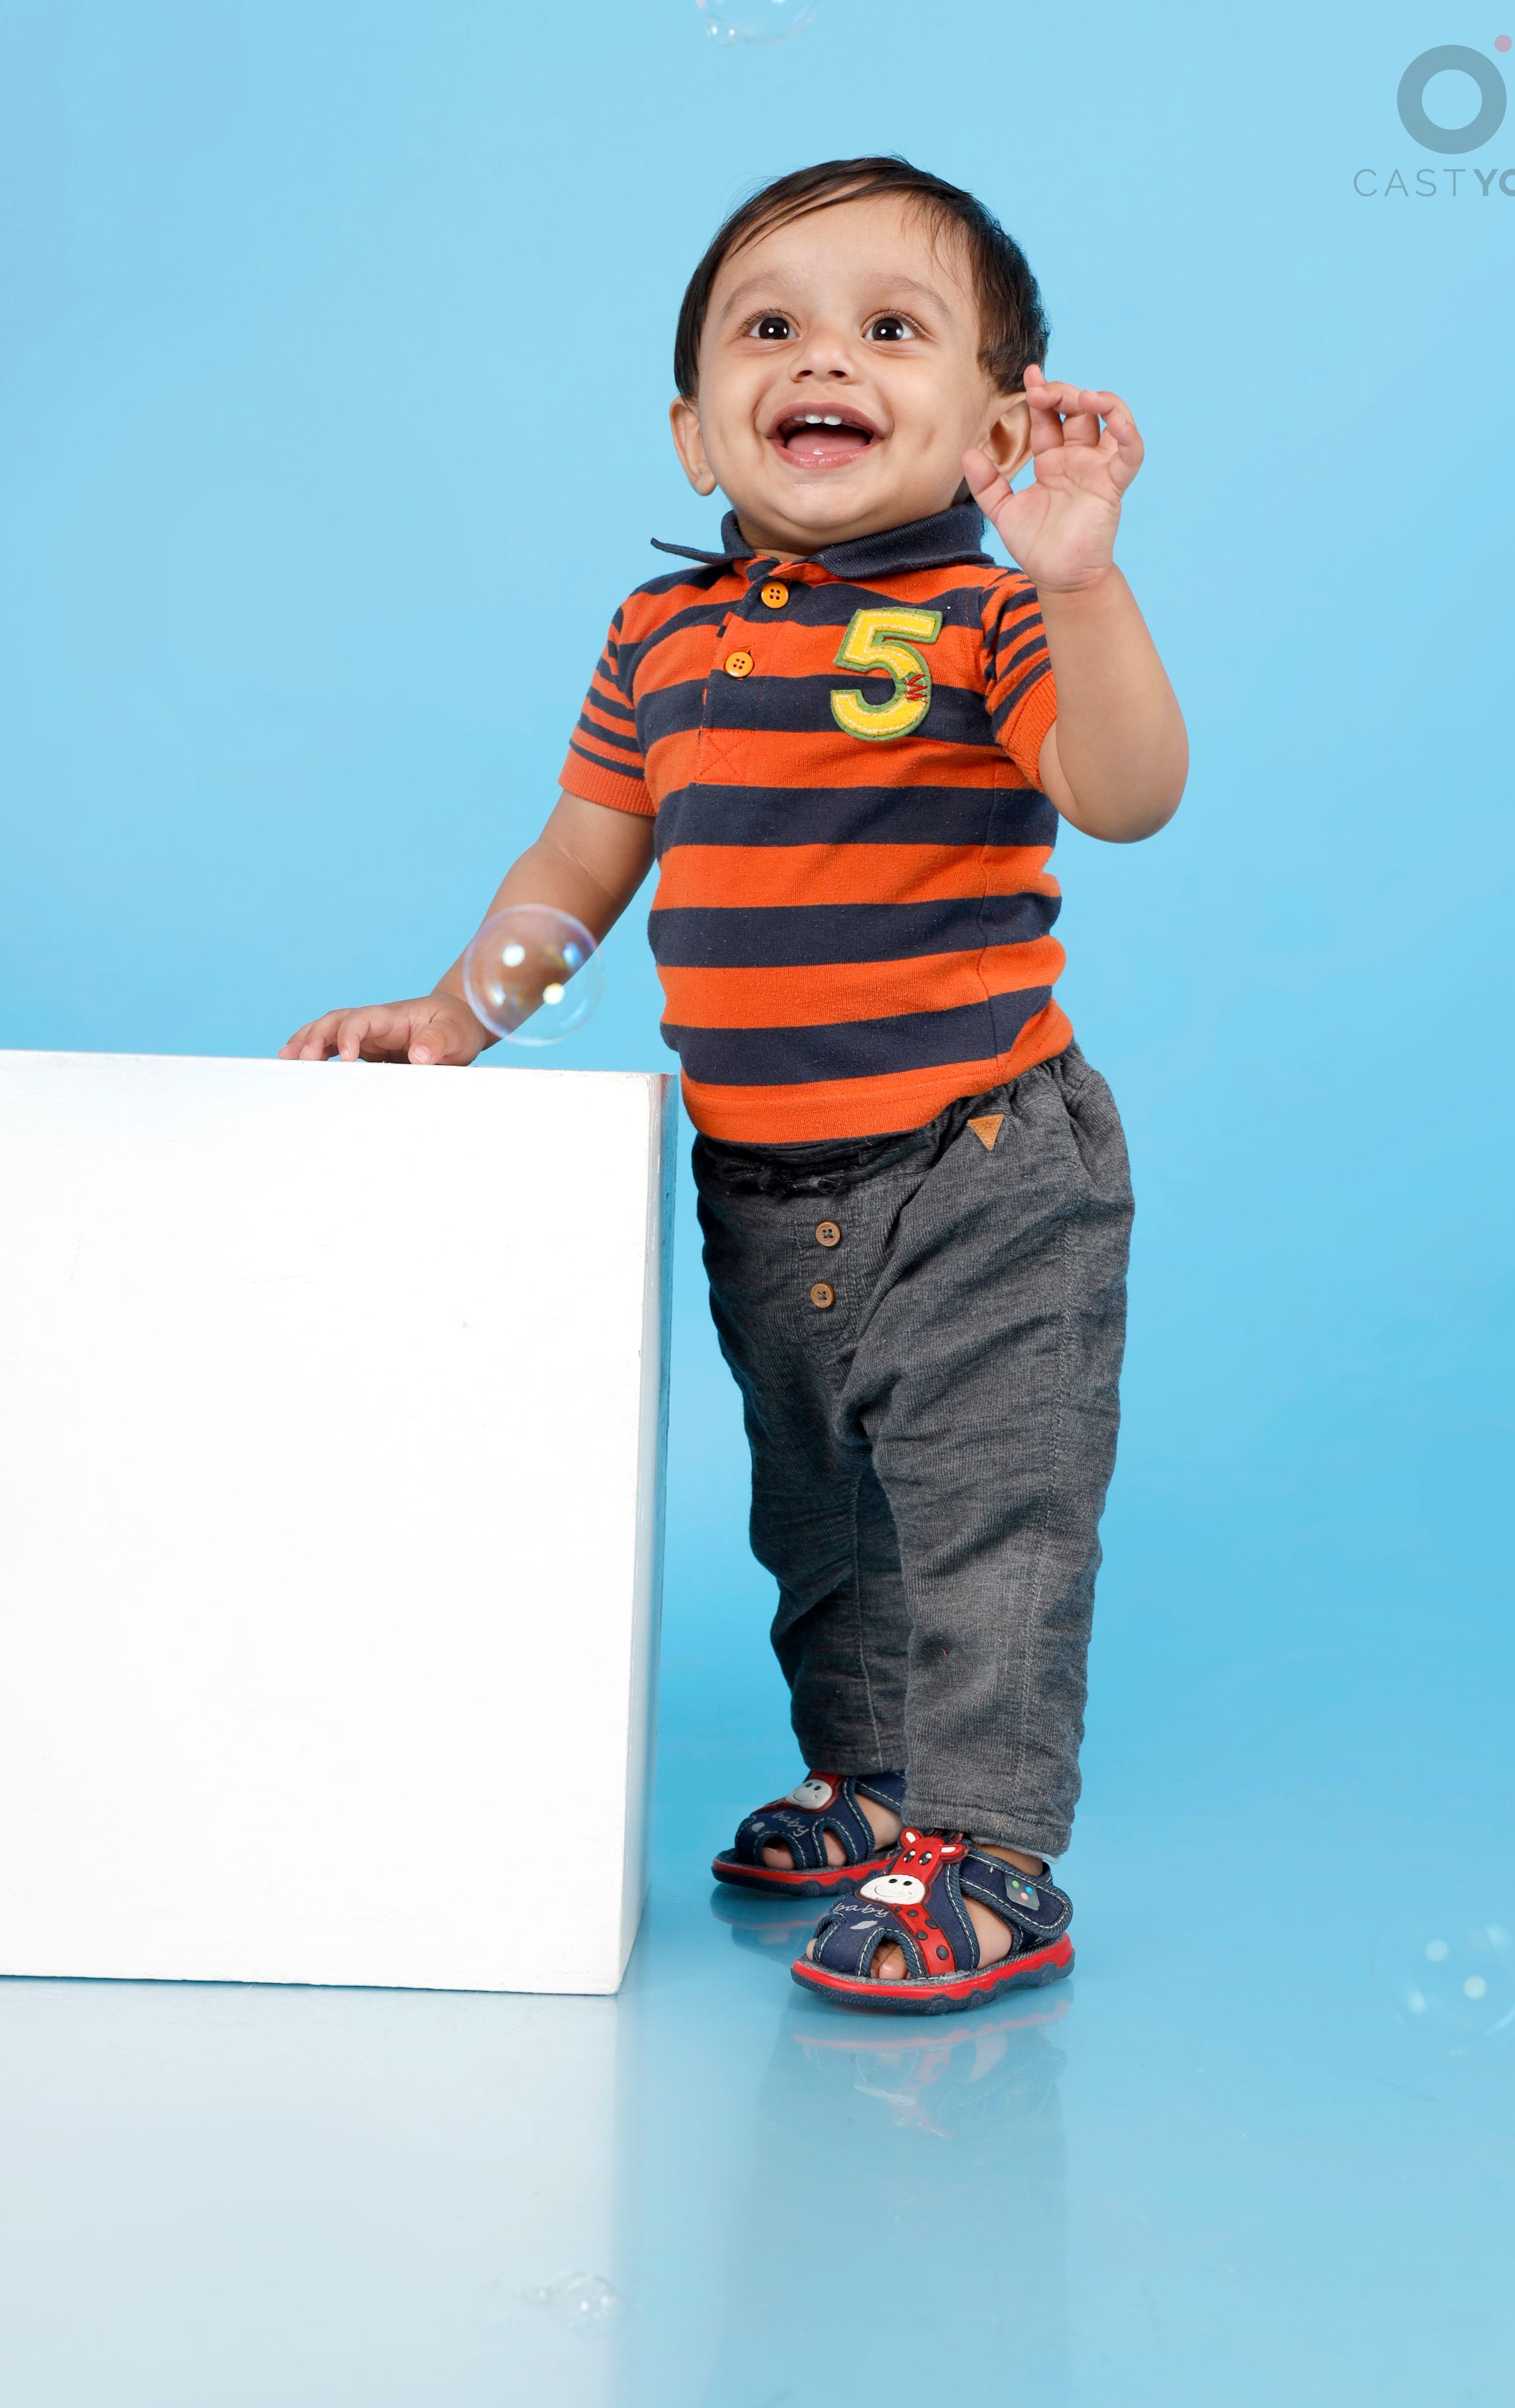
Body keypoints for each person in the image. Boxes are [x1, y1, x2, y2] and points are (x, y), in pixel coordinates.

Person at [282, 157, 1187, 2014]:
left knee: (986, 1513)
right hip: (762, 1178)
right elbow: (578, 864)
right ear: (697, 432)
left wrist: (1080, 581)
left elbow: (1126, 793)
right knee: (821, 1510)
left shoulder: (994, 615)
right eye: (769, 327)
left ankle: (994, 1855)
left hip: (982, 1160)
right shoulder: (662, 637)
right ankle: (874, 1781)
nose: (822, 357)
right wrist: (462, 1012)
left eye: (890, 327)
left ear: (994, 430)